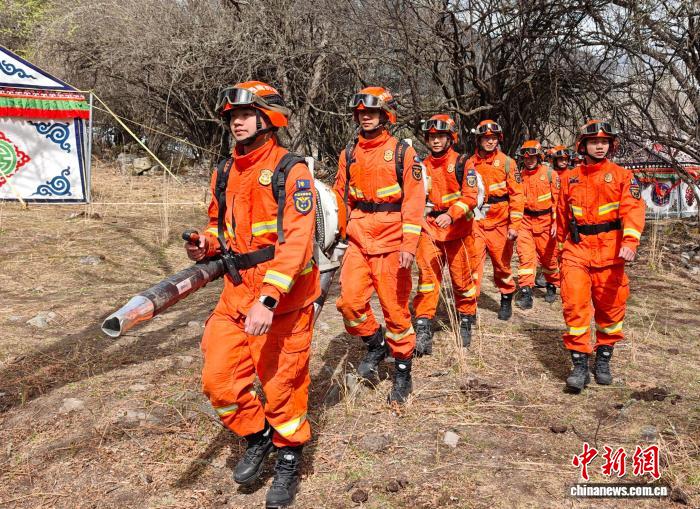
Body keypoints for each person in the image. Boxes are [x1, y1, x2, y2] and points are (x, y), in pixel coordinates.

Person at [185, 81, 319, 508]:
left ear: (269, 118)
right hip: (235, 293)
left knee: (282, 388)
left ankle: (289, 456)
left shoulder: (291, 170)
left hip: (282, 301)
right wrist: (205, 244)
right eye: (233, 117)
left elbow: (297, 242)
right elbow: (219, 225)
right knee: (218, 381)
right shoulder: (225, 170)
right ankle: (257, 435)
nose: (237, 122)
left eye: (246, 114)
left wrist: (269, 297)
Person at [334, 86, 426, 404]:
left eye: (372, 112)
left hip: (392, 241)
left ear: (386, 116)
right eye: (361, 112)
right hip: (359, 239)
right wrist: (335, 235)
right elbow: (340, 198)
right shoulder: (349, 154)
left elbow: (414, 201)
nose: (366, 117)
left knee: (396, 312)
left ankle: (402, 371)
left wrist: (409, 245)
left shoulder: (402, 153)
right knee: (349, 304)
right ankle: (376, 344)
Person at [556, 120, 645, 392]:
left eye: (604, 142)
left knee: (611, 309)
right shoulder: (569, 177)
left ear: (611, 145)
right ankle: (580, 364)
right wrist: (560, 251)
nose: (599, 146)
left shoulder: (622, 176)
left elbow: (633, 209)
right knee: (574, 305)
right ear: (583, 145)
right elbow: (562, 216)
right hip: (577, 251)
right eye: (594, 142)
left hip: (611, 252)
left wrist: (630, 241)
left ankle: (604, 358)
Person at [413, 114, 480, 354]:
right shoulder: (421, 166)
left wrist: (451, 215)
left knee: (462, 281)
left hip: (458, 230)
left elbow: (470, 197)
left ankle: (466, 318)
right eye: (432, 137)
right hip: (430, 230)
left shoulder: (462, 163)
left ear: (450, 138)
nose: (436, 141)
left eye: (441, 136)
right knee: (427, 280)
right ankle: (423, 326)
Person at [466, 120, 524, 320]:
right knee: (472, 265)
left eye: (493, 138)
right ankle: (469, 308)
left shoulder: (507, 163)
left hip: (500, 223)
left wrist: (514, 226)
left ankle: (506, 297)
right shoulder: (469, 163)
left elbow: (517, 195)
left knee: (502, 266)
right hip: (476, 222)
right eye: (486, 138)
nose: (490, 142)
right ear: (479, 140)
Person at [514, 140, 559, 308]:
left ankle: (552, 284)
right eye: (526, 158)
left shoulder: (550, 174)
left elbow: (558, 202)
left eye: (532, 157)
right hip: (525, 223)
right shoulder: (520, 176)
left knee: (549, 260)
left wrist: (556, 223)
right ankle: (526, 292)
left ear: (539, 157)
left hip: (546, 223)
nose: (529, 161)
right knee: (526, 257)